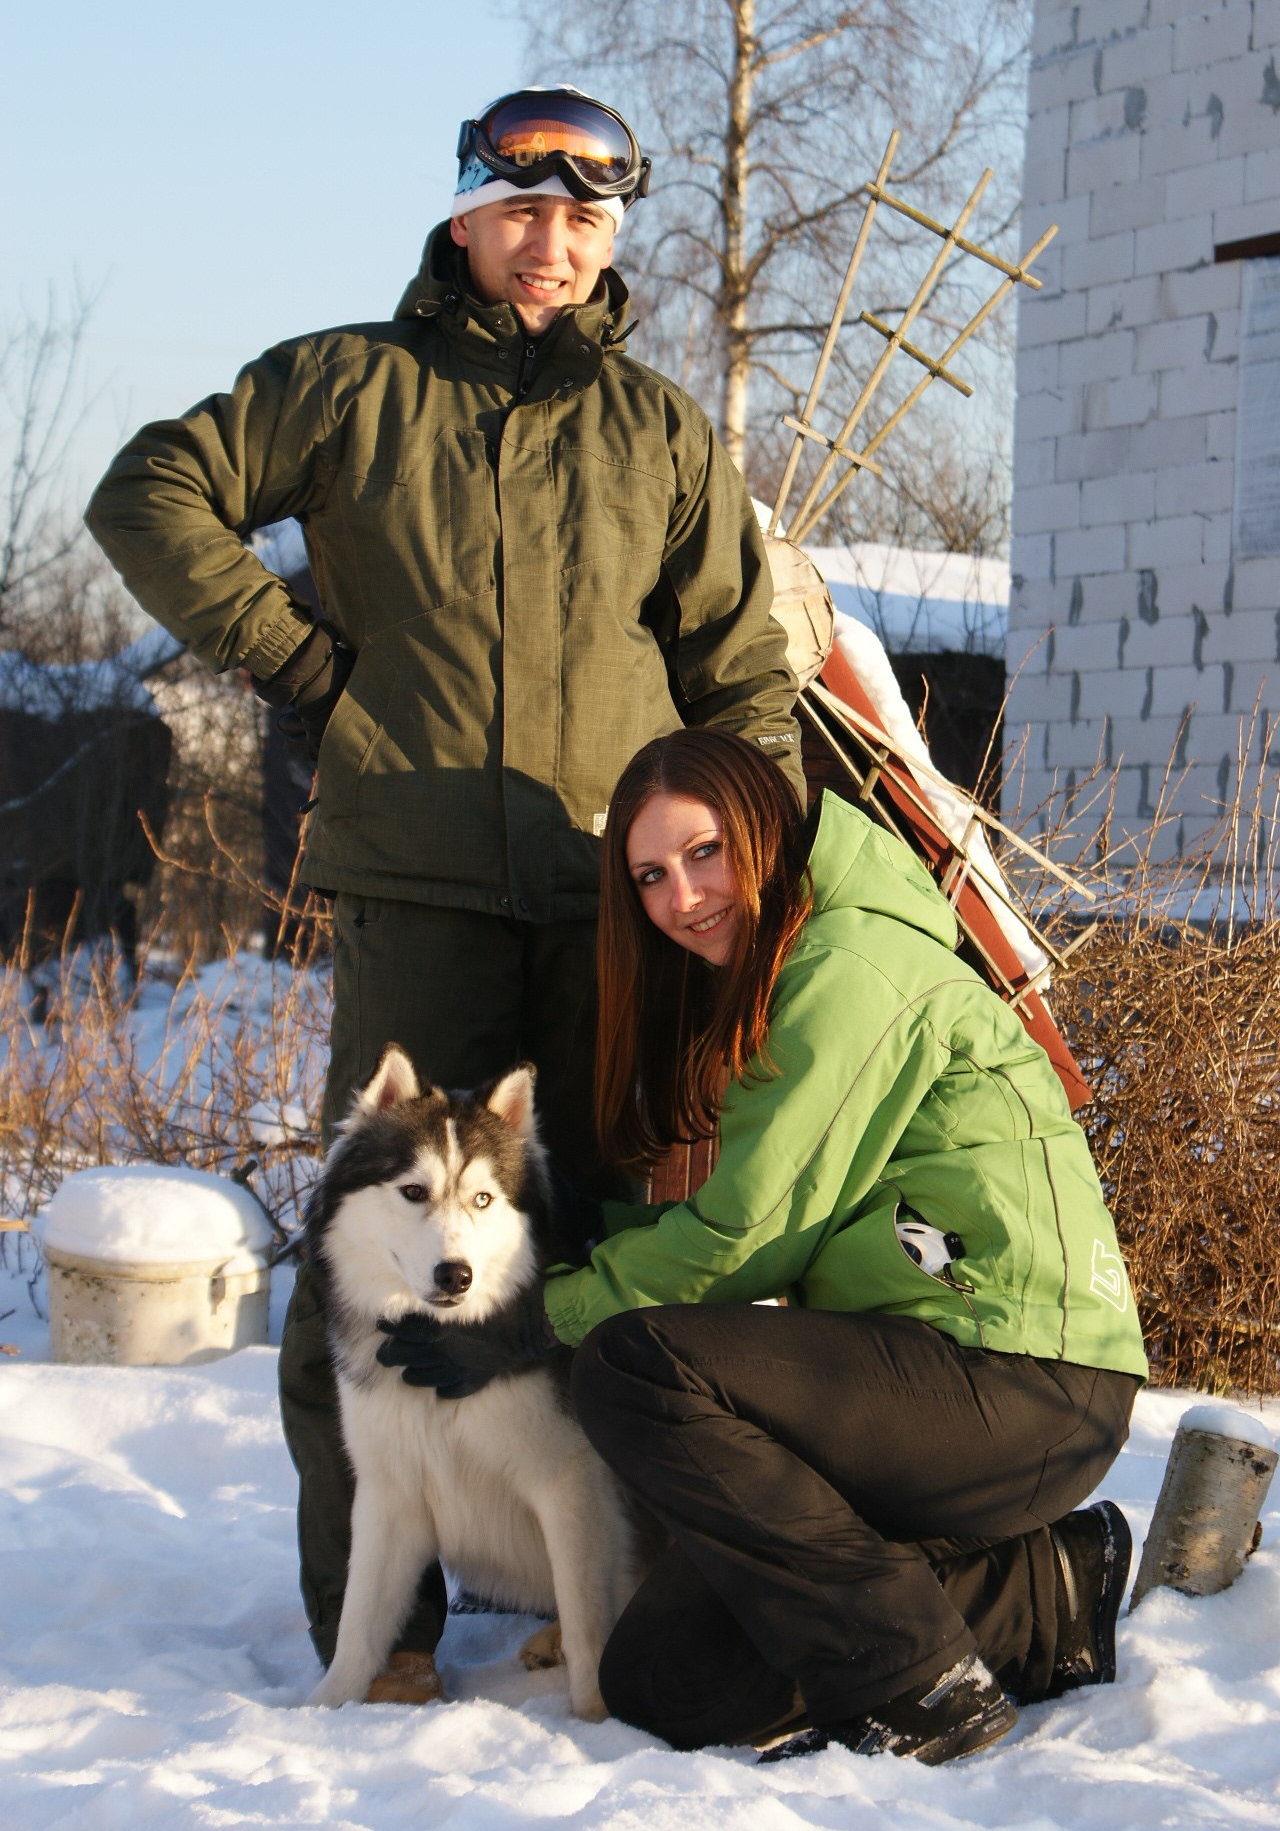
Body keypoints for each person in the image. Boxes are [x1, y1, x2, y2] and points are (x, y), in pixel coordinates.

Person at [83, 89, 803, 1697]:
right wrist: (300, 664)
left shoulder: (661, 432)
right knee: (376, 1243)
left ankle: (607, 1593)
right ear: (467, 213)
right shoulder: (349, 386)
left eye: (589, 221)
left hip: (619, 908)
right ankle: (384, 1626)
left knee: (616, 1239)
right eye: (524, 212)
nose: (554, 247)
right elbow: (147, 493)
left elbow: (746, 670)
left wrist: (747, 852)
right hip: (417, 895)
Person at [378, 726, 1149, 1763]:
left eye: (704, 853)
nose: (682, 897)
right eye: (650, 875)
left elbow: (745, 1234)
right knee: (661, 1681)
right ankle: (1040, 1590)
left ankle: (918, 1688)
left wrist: (536, 1319)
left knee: (631, 1364)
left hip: (1020, 1377)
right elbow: (741, 1224)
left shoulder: (849, 965)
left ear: (763, 826)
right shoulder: (775, 969)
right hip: (916, 1386)